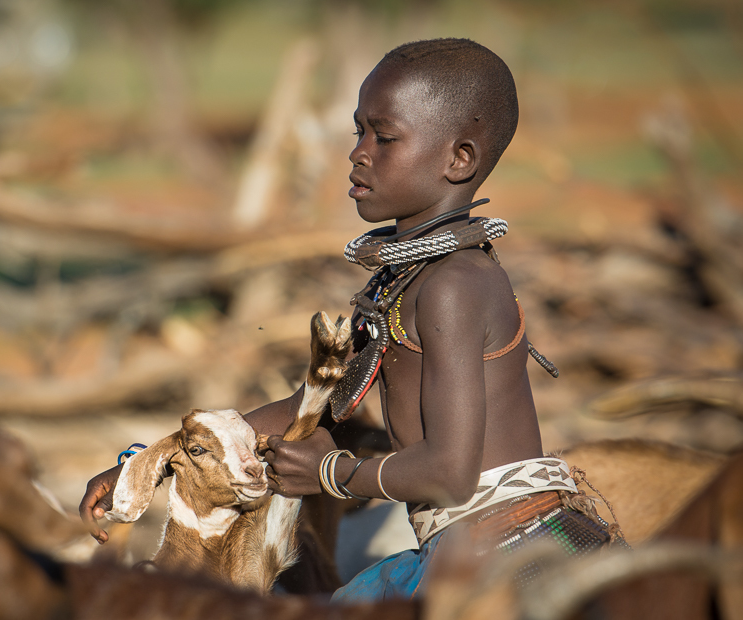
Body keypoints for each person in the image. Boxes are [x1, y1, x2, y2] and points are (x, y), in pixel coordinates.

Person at [79, 37, 615, 603]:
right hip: (462, 548)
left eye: (383, 137)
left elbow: (450, 473)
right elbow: (310, 407)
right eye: (359, 132)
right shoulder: (401, 279)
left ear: (459, 159)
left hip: (514, 552)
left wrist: (331, 474)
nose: (359, 153)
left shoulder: (455, 286)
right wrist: (147, 465)